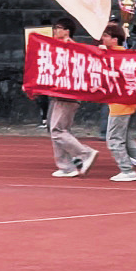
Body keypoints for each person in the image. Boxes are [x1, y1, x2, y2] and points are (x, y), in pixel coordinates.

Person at [43, 17, 99, 178]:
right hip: (58, 93)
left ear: (67, 31)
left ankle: (84, 153)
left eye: (58, 28)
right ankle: (66, 166)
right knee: (58, 130)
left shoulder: (71, 48)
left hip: (67, 94)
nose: (55, 31)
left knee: (57, 131)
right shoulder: (57, 47)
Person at [100, 23, 136, 182]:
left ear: (115, 39)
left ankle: (127, 170)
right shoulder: (124, 55)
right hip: (130, 104)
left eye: (106, 36)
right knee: (124, 139)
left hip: (120, 105)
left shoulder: (113, 57)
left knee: (113, 139)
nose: (103, 38)